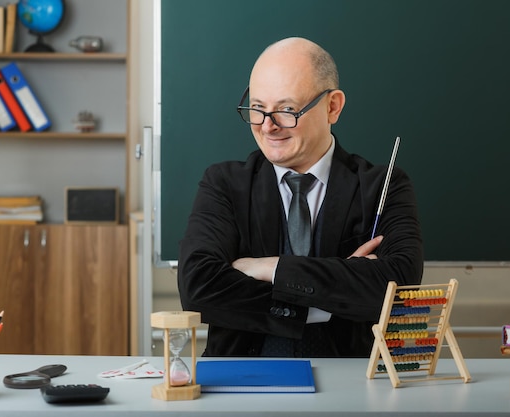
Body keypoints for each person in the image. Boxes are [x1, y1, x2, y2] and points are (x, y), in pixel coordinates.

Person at [178, 37, 423, 357]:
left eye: (287, 109)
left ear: (332, 106)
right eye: (257, 108)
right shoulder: (223, 184)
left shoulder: (381, 187)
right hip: (241, 382)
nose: (268, 126)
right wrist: (330, 293)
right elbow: (199, 287)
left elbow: (399, 288)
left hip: (351, 385)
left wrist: (270, 268)